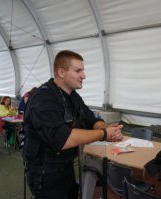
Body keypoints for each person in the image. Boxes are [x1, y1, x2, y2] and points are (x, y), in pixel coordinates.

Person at [23, 50, 123, 199]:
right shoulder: (43, 98)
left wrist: (106, 129)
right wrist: (104, 134)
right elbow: (63, 140)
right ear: (61, 72)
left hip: (65, 167)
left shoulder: (73, 96)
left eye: (83, 70)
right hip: (45, 173)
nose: (84, 75)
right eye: (78, 70)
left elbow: (92, 119)